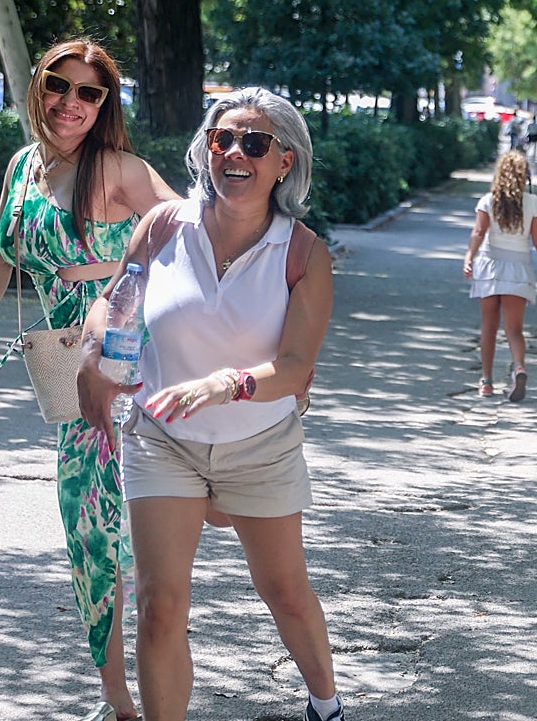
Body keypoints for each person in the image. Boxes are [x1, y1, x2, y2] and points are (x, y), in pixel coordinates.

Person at [76, 88, 345, 721]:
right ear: (207, 150)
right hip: (162, 439)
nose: (235, 154)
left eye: (254, 143)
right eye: (223, 139)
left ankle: (326, 704)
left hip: (260, 446)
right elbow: (118, 299)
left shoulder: (302, 252)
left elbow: (297, 369)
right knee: (159, 603)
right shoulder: (166, 226)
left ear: (285, 161)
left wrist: (226, 384)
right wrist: (94, 354)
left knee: (285, 592)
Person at [0, 38, 178, 721]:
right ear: (37, 85)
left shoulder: (117, 168)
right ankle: (119, 700)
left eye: (89, 92)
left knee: (129, 535)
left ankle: (156, 690)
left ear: (105, 104)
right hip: (70, 383)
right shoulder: (25, 165)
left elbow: (189, 228)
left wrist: (120, 281)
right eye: (59, 85)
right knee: (86, 535)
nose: (70, 103)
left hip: (127, 370)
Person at [464, 149, 537, 400]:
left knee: (488, 326)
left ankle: (486, 381)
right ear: (524, 176)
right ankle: (519, 366)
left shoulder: (488, 201)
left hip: (490, 266)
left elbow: (478, 233)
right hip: (518, 269)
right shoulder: (533, 203)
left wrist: (469, 258)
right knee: (514, 330)